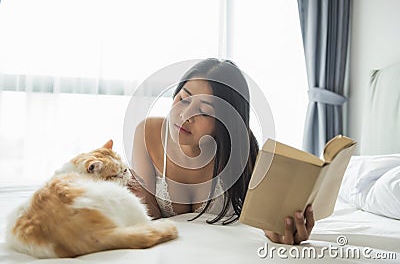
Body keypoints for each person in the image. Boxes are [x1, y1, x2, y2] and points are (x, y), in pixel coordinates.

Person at [130, 58, 314, 245]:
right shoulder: (148, 133)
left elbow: (268, 214)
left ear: (224, 122)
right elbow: (148, 213)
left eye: (203, 111)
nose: (185, 115)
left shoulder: (241, 148)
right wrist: (135, 196)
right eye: (183, 99)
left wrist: (283, 229)